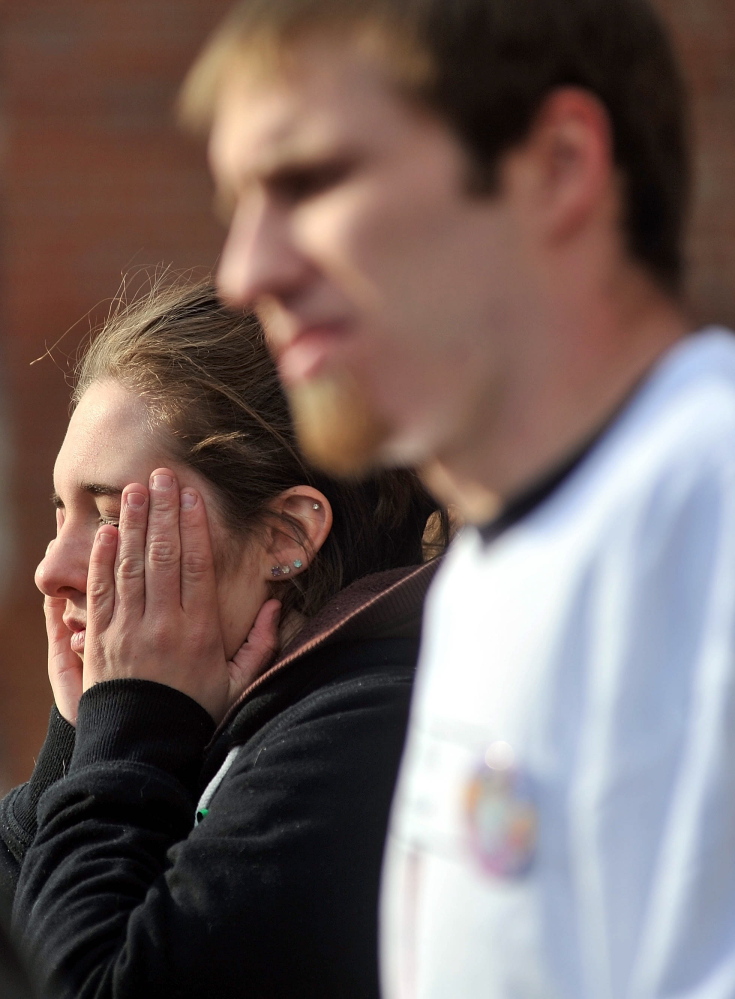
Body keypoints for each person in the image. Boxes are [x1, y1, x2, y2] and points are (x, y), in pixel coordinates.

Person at [180, 1, 735, 996]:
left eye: (308, 181)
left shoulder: (707, 510)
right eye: (236, 205)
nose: (244, 272)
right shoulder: (491, 567)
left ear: (559, 165)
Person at [0, 281, 448, 999]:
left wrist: (127, 727)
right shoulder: (197, 722)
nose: (51, 569)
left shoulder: (362, 733)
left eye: (113, 518)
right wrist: (85, 736)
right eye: (61, 512)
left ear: (285, 537)